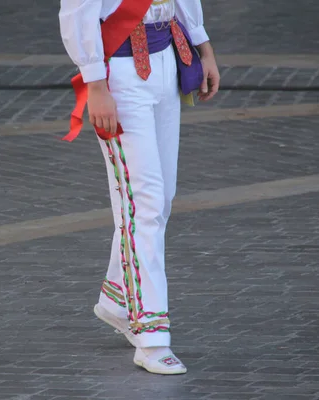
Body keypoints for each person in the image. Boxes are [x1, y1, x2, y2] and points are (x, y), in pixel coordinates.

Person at [59, 0, 220, 375]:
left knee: (161, 199)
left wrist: (204, 47)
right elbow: (76, 13)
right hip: (119, 71)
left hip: (167, 59)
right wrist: (95, 84)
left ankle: (117, 300)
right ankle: (151, 337)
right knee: (144, 204)